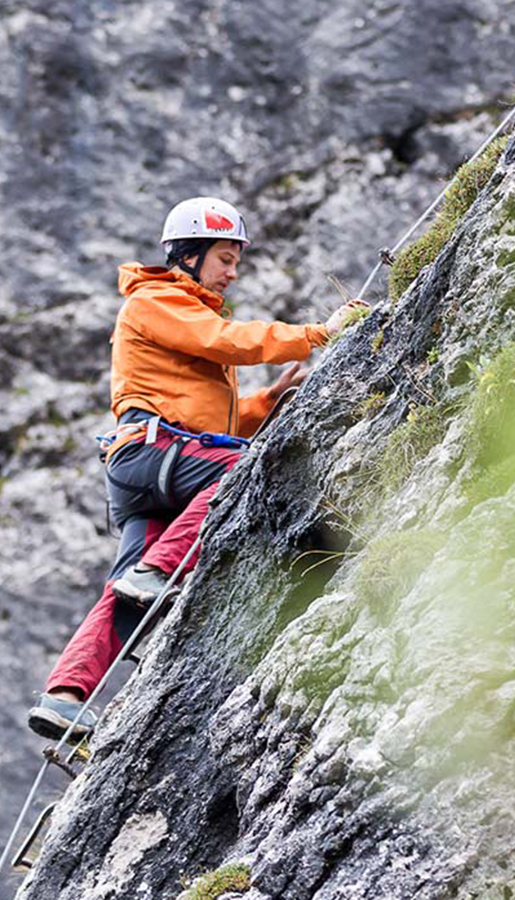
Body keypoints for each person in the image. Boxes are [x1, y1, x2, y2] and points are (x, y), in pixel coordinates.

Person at [27, 197, 366, 740]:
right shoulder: (156, 299)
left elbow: (206, 413)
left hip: (155, 465)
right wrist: (316, 333)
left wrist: (266, 403)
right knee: (242, 472)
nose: (233, 271)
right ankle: (159, 569)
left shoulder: (179, 311)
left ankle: (64, 694)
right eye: (225, 258)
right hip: (155, 455)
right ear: (189, 254)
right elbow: (224, 343)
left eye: (236, 261)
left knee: (126, 594)